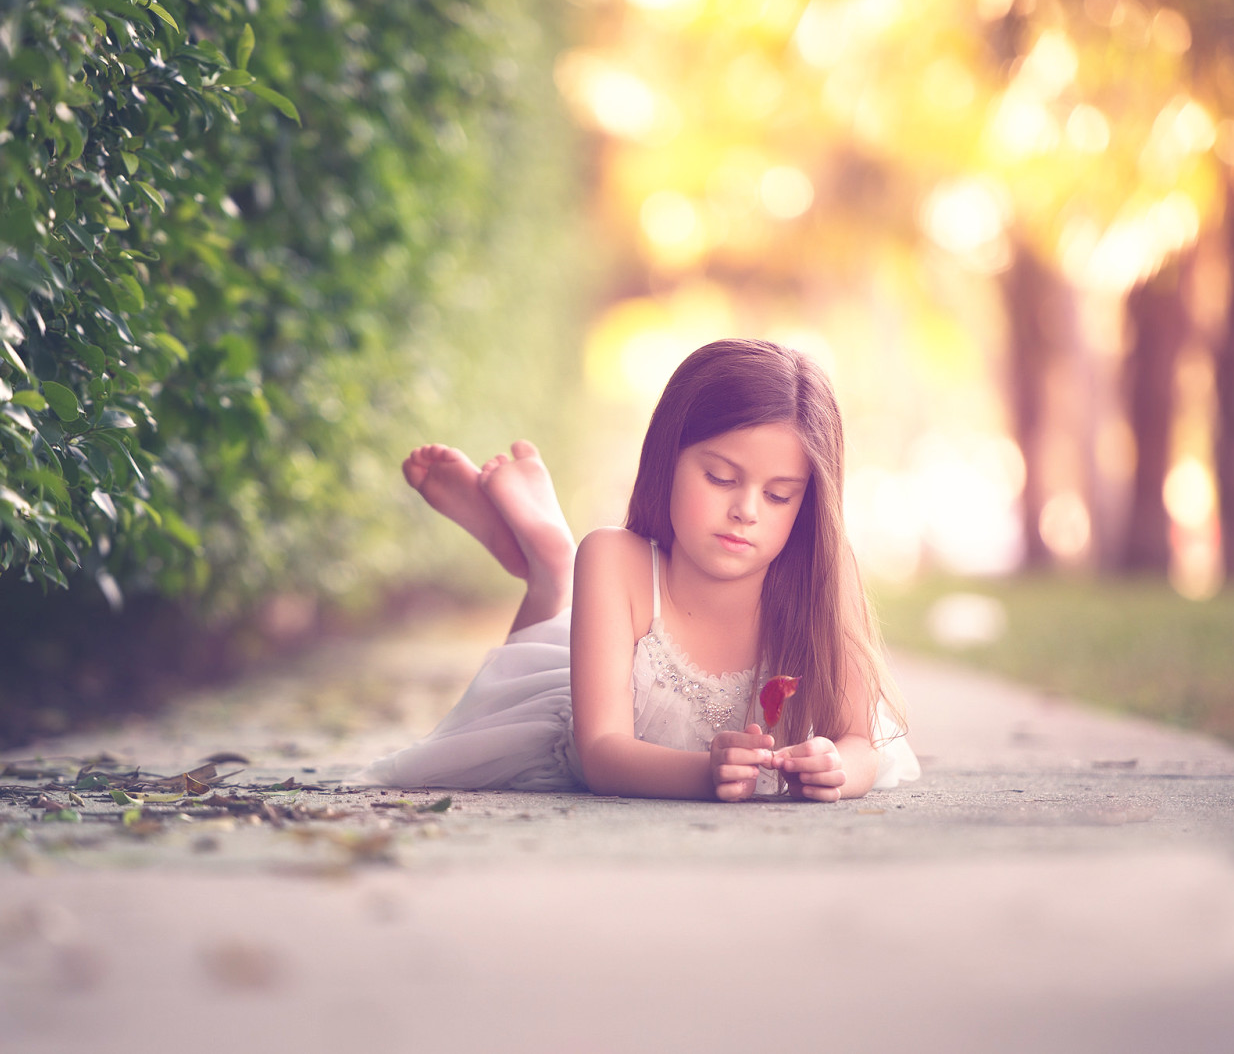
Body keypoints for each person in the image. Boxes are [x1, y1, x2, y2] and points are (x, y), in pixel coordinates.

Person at [359, 339, 919, 800]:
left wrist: (836, 769)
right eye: (721, 478)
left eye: (778, 495)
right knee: (515, 676)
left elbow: (860, 741)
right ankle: (552, 570)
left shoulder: (824, 574)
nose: (746, 510)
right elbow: (601, 751)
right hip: (583, 713)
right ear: (667, 458)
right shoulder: (615, 561)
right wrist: (705, 773)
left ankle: (548, 562)